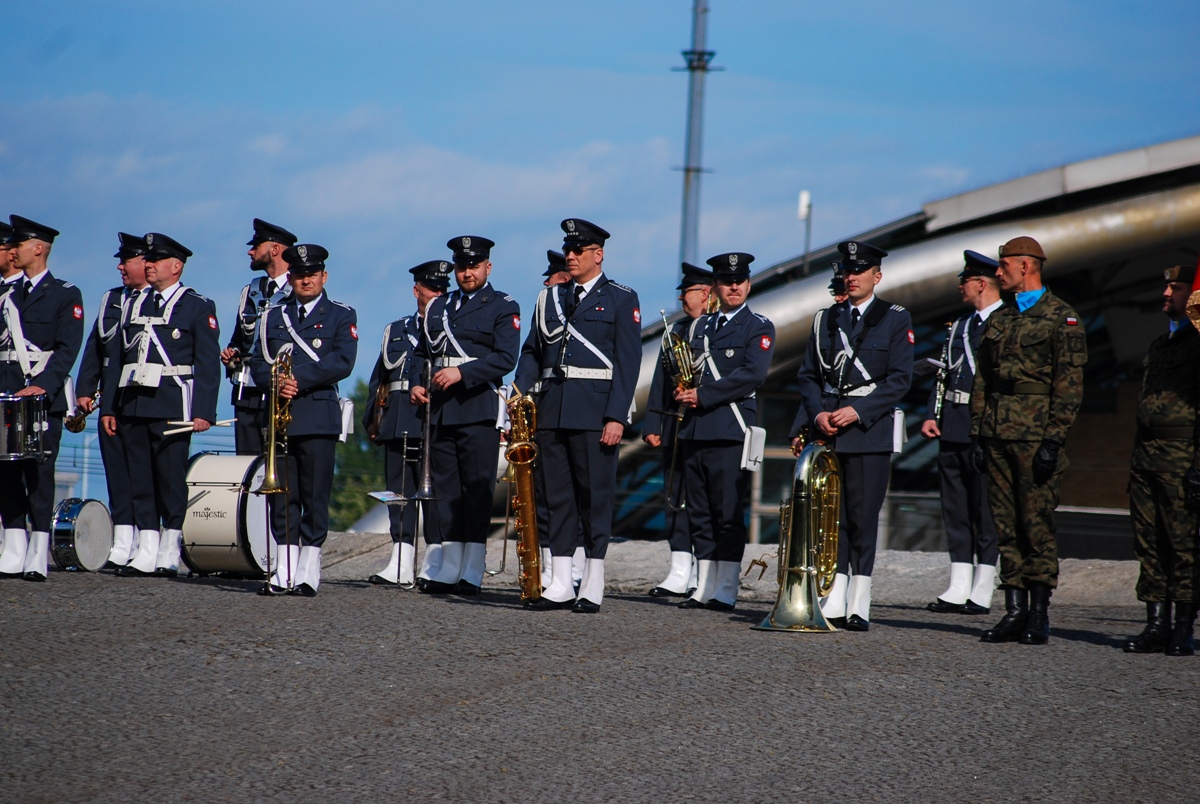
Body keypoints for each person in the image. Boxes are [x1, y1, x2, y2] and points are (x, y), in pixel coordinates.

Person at [513, 218, 641, 612]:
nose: (570, 256)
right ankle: (561, 582)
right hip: (553, 410)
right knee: (557, 497)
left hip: (595, 412)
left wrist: (616, 416)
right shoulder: (548, 299)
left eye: (578, 251)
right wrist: (518, 395)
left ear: (597, 254)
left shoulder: (621, 298)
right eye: (568, 250)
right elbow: (533, 351)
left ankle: (593, 581)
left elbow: (628, 361)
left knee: (594, 497)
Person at [789, 240, 913, 631]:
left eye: (860, 271)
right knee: (831, 519)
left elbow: (899, 380)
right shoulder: (824, 319)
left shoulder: (895, 318)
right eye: (848, 271)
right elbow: (808, 376)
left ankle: (860, 599)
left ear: (877, 276)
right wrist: (818, 414)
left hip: (868, 431)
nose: (852, 277)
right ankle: (834, 596)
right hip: (828, 430)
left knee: (862, 517)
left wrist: (858, 411)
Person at [971, 236, 1086, 645]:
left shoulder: (1061, 318)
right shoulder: (1000, 319)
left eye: (1003, 265)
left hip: (1036, 438)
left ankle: (1039, 614)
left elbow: (1069, 386)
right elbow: (982, 380)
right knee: (1006, 525)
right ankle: (1014, 611)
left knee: (1036, 524)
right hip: (998, 434)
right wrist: (977, 433)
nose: (997, 272)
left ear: (1025, 266)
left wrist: (1054, 440)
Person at [101, 232, 220, 577]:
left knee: (169, 478)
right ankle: (146, 547)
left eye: (155, 261)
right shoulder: (135, 303)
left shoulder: (197, 306)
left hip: (172, 404)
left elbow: (208, 363)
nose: (148, 266)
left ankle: (169, 546)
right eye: (147, 260)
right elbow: (118, 358)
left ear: (176, 266)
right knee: (139, 477)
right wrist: (110, 407)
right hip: (134, 401)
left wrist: (203, 412)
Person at [408, 236, 519, 596]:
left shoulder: (503, 305)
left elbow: (505, 358)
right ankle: (449, 566)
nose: (466, 273)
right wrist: (414, 383)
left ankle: (472, 568)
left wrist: (462, 374)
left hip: (476, 407)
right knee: (446, 492)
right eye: (461, 267)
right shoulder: (439, 308)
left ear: (487, 267)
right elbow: (422, 353)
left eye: (473, 266)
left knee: (475, 490)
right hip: (441, 409)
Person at [250, 244, 357, 597]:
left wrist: (300, 378)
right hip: (281, 419)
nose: (305, 280)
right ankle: (284, 568)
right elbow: (257, 361)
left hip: (318, 415)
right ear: (291, 277)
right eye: (299, 275)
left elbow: (343, 360)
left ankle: (309, 569)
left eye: (312, 274)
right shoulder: (272, 315)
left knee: (314, 495)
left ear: (324, 276)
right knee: (281, 495)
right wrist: (274, 380)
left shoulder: (342, 314)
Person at [674, 253, 774, 610]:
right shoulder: (699, 327)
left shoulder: (758, 326)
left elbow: (752, 374)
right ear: (715, 286)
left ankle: (726, 588)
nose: (734, 286)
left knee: (728, 512)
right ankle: (703, 585)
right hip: (696, 429)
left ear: (748, 284)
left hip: (731, 428)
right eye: (727, 281)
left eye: (740, 281)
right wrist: (683, 390)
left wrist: (703, 394)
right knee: (698, 512)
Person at [0, 216, 84, 581]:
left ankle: (37, 547)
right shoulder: (6, 293)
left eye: (18, 244)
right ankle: (14, 545)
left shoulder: (66, 294)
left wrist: (43, 386)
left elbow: (67, 350)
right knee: (5, 471)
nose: (12, 250)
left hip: (41, 398)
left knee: (39, 471)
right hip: (7, 392)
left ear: (38, 248)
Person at [921, 251, 1003, 614]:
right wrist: (931, 413)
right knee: (954, 507)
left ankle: (983, 584)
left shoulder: (1007, 322)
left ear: (982, 283)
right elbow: (944, 374)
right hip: (953, 423)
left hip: (985, 426)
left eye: (965, 281)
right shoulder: (958, 326)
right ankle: (958, 582)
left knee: (984, 508)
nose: (960, 287)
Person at [1124, 264, 1200, 656]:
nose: (1167, 293)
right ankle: (1156, 624)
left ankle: (1183, 628)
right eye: (1167, 286)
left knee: (1183, 546)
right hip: (1147, 458)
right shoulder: (1159, 345)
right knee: (1149, 543)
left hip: (1181, 458)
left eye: (1177, 286)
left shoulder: (1198, 344)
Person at [363, 260, 448, 587]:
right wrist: (372, 419)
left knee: (435, 495)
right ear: (417, 290)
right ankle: (400, 562)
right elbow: (379, 378)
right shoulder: (396, 330)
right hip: (399, 416)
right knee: (398, 493)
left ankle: (436, 561)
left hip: (433, 416)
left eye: (442, 290)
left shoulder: (449, 324)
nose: (437, 295)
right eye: (431, 289)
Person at [74, 233, 154, 570]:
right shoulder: (112, 299)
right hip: (111, 393)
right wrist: (84, 388)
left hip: (143, 393)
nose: (121, 267)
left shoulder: (157, 300)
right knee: (116, 470)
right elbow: (96, 348)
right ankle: (123, 538)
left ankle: (147, 539)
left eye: (127, 260)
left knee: (143, 471)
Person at [642, 262, 713, 597]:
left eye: (687, 292)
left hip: (705, 422)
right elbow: (660, 380)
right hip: (675, 422)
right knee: (674, 496)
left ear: (705, 294)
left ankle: (703, 568)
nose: (682, 299)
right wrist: (653, 424)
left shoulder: (717, 327)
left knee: (703, 500)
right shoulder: (678, 330)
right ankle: (680, 568)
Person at [221, 219, 297, 455]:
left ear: (275, 249)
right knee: (245, 464)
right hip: (247, 392)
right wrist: (230, 353)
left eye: (256, 245)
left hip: (280, 392)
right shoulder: (250, 291)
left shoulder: (298, 289)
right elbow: (239, 338)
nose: (250, 251)